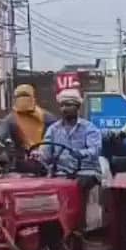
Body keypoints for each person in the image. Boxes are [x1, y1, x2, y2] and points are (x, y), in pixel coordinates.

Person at [40, 89, 113, 229]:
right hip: (60, 173)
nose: (64, 109)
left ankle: (80, 226)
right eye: (62, 105)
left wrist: (81, 153)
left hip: (86, 171)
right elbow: (46, 152)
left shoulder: (89, 128)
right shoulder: (53, 129)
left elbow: (95, 150)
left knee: (77, 185)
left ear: (77, 107)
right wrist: (39, 155)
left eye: (68, 105)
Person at [0, 84, 58, 168]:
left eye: (26, 96)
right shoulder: (10, 120)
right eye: (21, 97)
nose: (23, 100)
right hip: (22, 164)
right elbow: (2, 140)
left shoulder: (47, 118)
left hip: (43, 163)